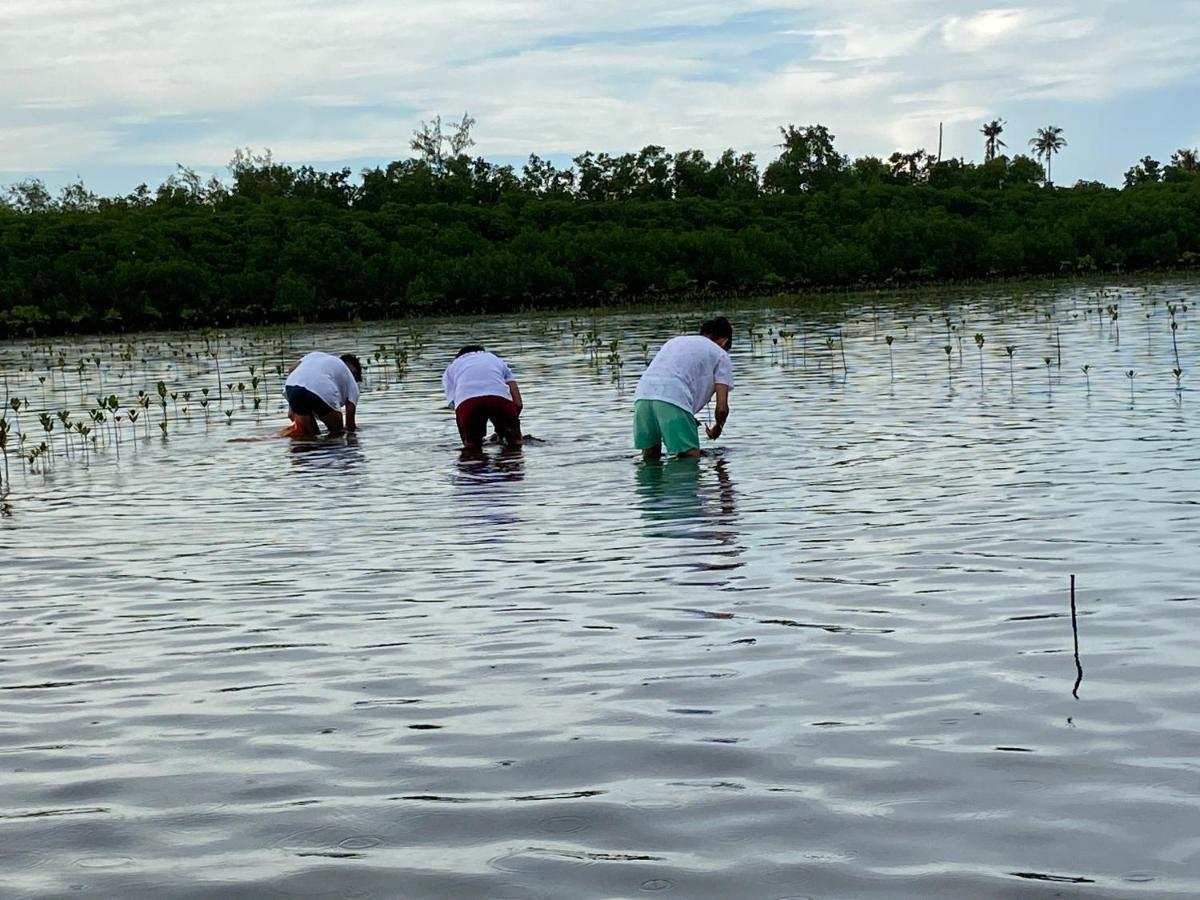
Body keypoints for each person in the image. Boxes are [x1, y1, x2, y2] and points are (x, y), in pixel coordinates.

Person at [633, 316, 733, 460]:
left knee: (650, 458)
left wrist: (686, 417)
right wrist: (718, 427)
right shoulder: (720, 354)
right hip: (673, 398)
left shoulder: (676, 342)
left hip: (642, 396)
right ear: (724, 342)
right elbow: (722, 408)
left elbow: (669, 378)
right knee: (690, 457)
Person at [443, 345, 523, 451]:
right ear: (482, 352)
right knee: (515, 443)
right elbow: (518, 403)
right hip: (499, 400)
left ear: (458, 357)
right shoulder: (495, 359)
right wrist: (509, 424)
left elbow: (455, 405)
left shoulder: (452, 367)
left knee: (471, 447)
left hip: (468, 403)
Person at [283, 351, 362, 437]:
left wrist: (291, 408)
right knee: (338, 434)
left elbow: (291, 369)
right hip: (321, 390)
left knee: (310, 437)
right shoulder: (352, 382)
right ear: (355, 376)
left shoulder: (316, 355)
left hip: (292, 386)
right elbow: (350, 426)